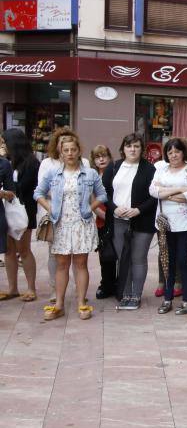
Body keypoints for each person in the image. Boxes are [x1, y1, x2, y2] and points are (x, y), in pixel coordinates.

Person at [34, 132, 106, 320]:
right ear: (61, 152)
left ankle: (82, 303)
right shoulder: (53, 173)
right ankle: (59, 304)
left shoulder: (89, 173)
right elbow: (38, 193)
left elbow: (102, 195)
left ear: (79, 151)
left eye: (73, 149)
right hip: (61, 224)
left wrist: (90, 208)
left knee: (81, 264)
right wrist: (50, 208)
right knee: (61, 265)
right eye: (66, 150)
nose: (70, 153)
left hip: (82, 223)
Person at [102, 133, 157, 310]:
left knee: (138, 259)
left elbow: (154, 196)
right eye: (129, 146)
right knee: (123, 258)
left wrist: (138, 210)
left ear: (142, 149)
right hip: (118, 220)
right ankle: (125, 294)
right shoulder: (113, 167)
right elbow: (104, 193)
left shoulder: (150, 169)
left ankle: (136, 295)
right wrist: (114, 208)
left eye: (136, 146)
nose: (132, 149)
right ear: (123, 148)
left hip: (142, 220)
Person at [37, 129, 91, 302]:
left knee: (79, 257)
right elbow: (40, 191)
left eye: (71, 146)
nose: (68, 150)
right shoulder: (48, 164)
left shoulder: (84, 163)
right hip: (55, 216)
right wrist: (51, 209)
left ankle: (79, 292)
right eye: (62, 145)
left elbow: (89, 190)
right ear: (58, 147)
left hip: (78, 217)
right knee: (57, 257)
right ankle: (56, 290)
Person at [149, 138, 187, 316]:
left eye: (177, 151)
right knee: (167, 261)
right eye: (170, 152)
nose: (173, 155)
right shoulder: (161, 168)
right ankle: (167, 298)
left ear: (183, 152)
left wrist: (165, 192)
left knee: (184, 260)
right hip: (164, 223)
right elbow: (153, 191)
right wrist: (179, 189)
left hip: (185, 223)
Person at [2, 129, 39, 302]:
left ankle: (31, 288)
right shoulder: (5, 162)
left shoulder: (31, 163)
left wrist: (7, 189)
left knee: (23, 250)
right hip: (5, 210)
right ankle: (13, 289)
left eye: (4, 143)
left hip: (23, 211)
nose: (2, 146)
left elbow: (25, 187)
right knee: (9, 251)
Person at [90, 145, 116, 299]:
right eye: (97, 157)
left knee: (118, 254)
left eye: (104, 155)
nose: (101, 159)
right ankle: (106, 284)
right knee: (105, 255)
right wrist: (98, 212)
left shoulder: (115, 173)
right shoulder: (92, 176)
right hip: (101, 220)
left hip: (117, 218)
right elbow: (90, 199)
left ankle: (117, 283)